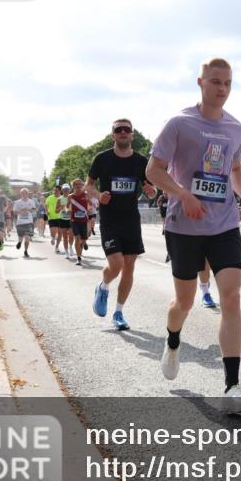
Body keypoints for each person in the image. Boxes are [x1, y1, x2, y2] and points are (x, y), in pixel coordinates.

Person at [146, 57, 241, 413]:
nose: (222, 89)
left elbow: (236, 169)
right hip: (184, 226)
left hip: (224, 224)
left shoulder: (236, 128)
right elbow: (153, 170)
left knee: (232, 298)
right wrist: (183, 194)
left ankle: (232, 387)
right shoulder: (180, 123)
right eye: (215, 82)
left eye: (227, 83)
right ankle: (173, 341)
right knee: (184, 303)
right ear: (200, 82)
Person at [87, 119, 156, 331]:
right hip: (109, 219)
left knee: (129, 267)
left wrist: (151, 191)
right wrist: (99, 195)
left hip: (131, 219)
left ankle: (118, 312)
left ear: (132, 135)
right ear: (113, 135)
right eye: (119, 130)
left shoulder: (141, 161)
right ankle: (104, 286)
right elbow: (89, 185)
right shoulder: (102, 158)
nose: (123, 132)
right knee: (116, 264)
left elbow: (150, 186)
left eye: (127, 129)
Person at [68, 179, 91, 266]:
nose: (78, 186)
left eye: (80, 184)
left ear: (82, 185)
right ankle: (78, 258)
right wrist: (68, 210)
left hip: (84, 220)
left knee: (83, 239)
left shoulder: (86, 195)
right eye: (76, 184)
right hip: (74, 220)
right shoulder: (71, 196)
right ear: (73, 186)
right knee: (77, 237)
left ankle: (84, 243)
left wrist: (89, 209)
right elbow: (67, 207)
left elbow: (90, 205)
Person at [12, 188, 37, 258]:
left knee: (27, 237)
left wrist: (28, 209)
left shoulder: (31, 201)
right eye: (23, 193)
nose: (24, 194)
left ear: (28, 194)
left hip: (29, 222)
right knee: (20, 236)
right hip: (20, 222)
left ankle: (26, 251)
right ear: (20, 194)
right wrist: (20, 212)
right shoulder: (17, 202)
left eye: (26, 193)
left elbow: (34, 209)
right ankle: (19, 242)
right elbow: (14, 212)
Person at [57, 184, 73, 258]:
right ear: (62, 190)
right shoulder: (59, 199)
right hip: (62, 219)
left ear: (69, 190)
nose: (66, 191)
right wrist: (61, 207)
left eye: (67, 189)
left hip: (71, 219)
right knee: (65, 237)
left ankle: (71, 247)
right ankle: (66, 252)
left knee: (71, 235)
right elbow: (56, 211)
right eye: (64, 189)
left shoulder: (72, 197)